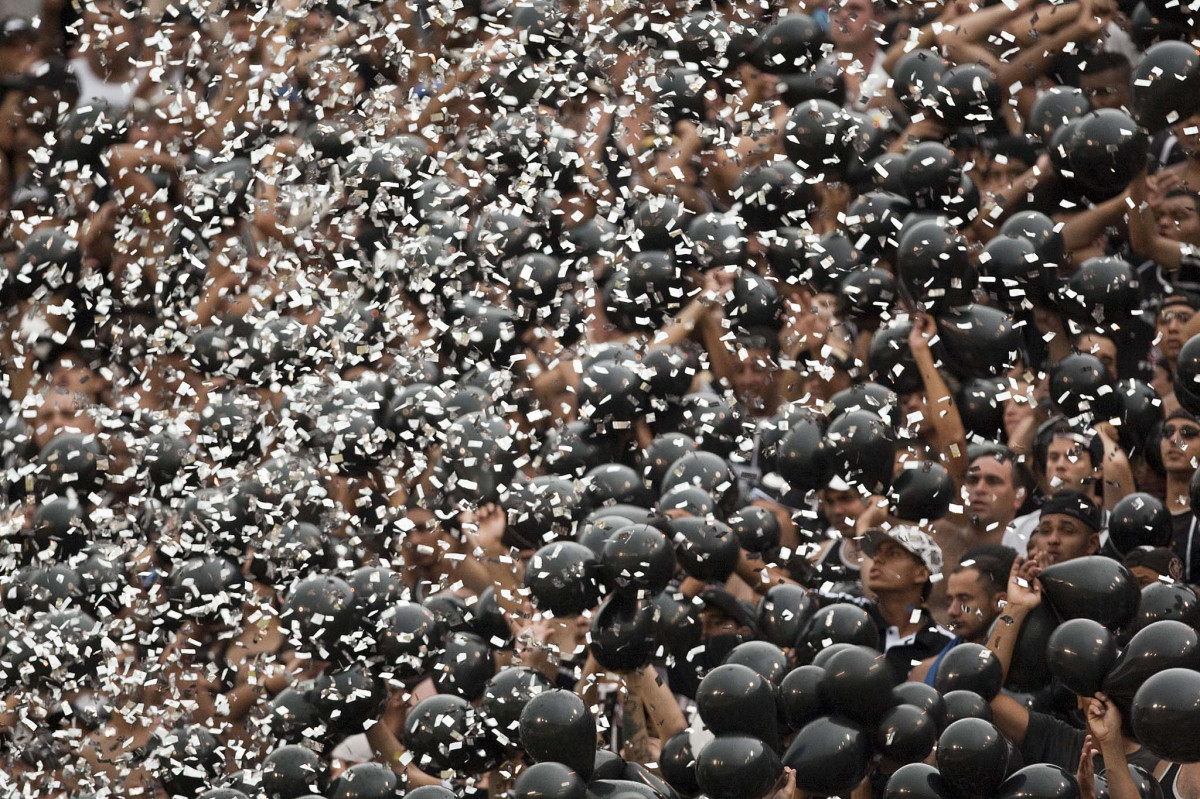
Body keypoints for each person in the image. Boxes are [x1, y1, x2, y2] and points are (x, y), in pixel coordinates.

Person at [909, 544, 1015, 685]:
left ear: (1000, 602)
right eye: (950, 600)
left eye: (964, 599)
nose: (952, 611)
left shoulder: (1027, 670)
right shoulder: (924, 673)